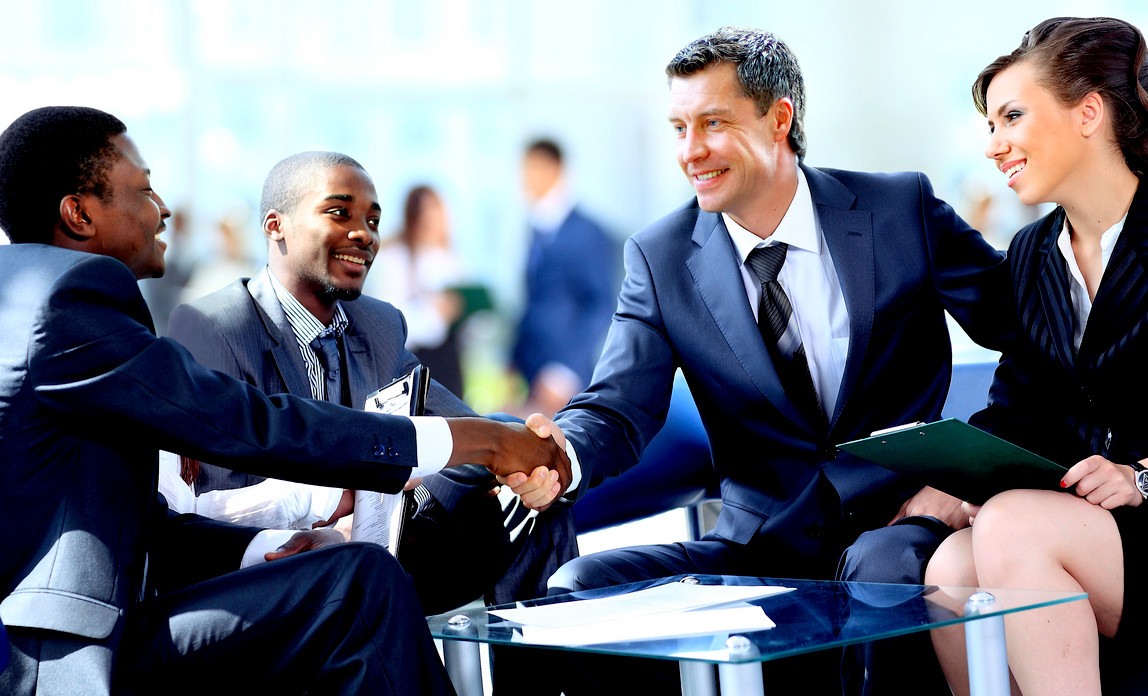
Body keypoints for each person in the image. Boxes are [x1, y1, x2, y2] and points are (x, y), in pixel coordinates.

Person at [0, 105, 568, 695]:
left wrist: (268, 547)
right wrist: (478, 439)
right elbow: (247, 424)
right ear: (79, 213)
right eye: (144, 189)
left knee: (353, 573)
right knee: (358, 586)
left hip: (115, 627)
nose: (163, 207)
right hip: (63, 660)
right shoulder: (67, 303)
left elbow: (146, 530)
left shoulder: (34, 297)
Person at [524, 26, 1014, 695]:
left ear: (779, 117)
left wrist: (966, 471)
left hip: (897, 526)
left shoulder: (897, 209)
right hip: (759, 545)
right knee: (581, 583)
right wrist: (560, 456)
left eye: (713, 123)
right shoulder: (660, 257)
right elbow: (617, 406)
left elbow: (1027, 331)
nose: (690, 151)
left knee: (881, 569)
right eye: (678, 127)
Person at [166, 152, 578, 615]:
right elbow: (210, 511)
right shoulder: (213, 326)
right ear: (274, 225)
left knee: (528, 497)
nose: (364, 233)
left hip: (382, 548)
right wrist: (343, 512)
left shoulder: (378, 324)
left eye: (373, 219)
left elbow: (465, 429)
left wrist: (534, 466)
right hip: (281, 572)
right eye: (339, 212)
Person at [925, 16, 1148, 696]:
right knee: (951, 568)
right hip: (1095, 525)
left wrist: (1141, 477)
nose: (995, 147)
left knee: (1012, 526)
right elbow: (1019, 408)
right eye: (990, 126)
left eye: (1011, 117)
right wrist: (947, 470)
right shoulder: (1031, 255)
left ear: (1089, 113)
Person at [507, 137, 621, 418]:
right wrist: (511, 362)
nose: (526, 179)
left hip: (563, 379)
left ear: (554, 169)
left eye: (533, 169)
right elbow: (534, 303)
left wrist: (564, 371)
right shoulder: (535, 228)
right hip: (530, 373)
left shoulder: (587, 232)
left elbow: (599, 306)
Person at [363, 183, 472, 397]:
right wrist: (435, 314)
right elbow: (390, 321)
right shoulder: (394, 258)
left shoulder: (453, 261)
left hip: (450, 365)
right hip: (413, 366)